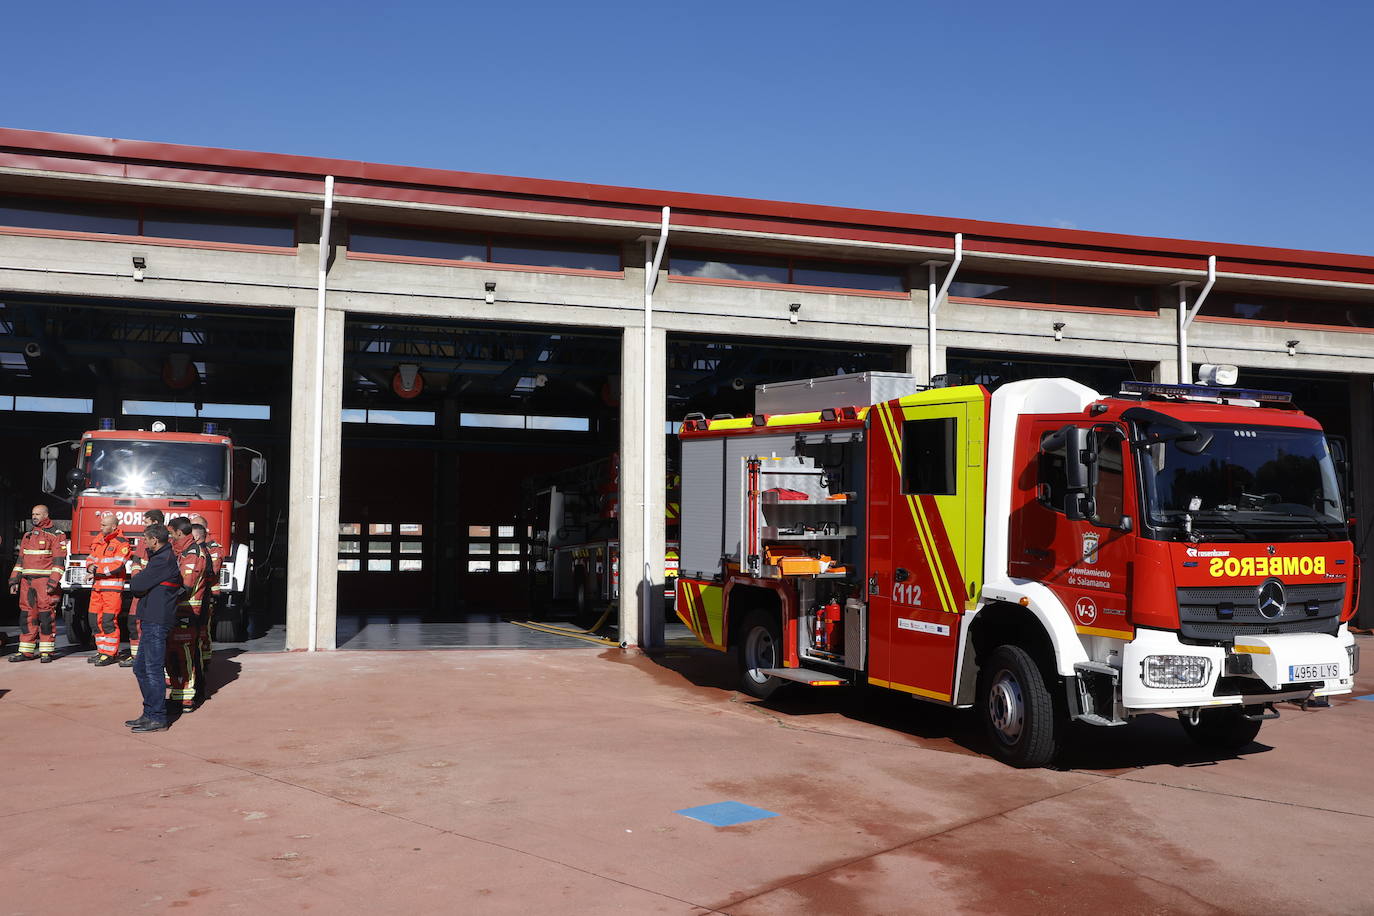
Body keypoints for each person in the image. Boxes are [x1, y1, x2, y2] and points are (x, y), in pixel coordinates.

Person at [125, 523, 178, 732]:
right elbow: (141, 586)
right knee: (141, 668)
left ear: (155, 540)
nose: (144, 542)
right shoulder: (159, 558)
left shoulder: (162, 560)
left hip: (157, 620)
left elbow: (137, 585)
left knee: (152, 669)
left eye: (146, 539)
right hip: (151, 618)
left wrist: (139, 580)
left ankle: (157, 717)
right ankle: (149, 714)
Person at [7, 504, 67, 663]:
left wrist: (53, 582)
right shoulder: (28, 536)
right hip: (27, 582)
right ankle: (25, 651)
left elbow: (59, 562)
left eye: (38, 514)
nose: (34, 517)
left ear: (46, 515)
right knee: (27, 616)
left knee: (46, 616)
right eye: (33, 514)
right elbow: (20, 561)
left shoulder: (56, 535)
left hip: (45, 583)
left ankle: (46, 652)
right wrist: (14, 580)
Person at [166, 517, 209, 713]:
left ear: (179, 533)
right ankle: (179, 696)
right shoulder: (184, 551)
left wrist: (162, 594)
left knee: (184, 655)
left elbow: (186, 586)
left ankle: (188, 699)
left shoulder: (192, 554)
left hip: (187, 610)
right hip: (180, 609)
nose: (170, 537)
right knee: (175, 655)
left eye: (171, 533)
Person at [86, 511, 132, 666]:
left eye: (104, 525)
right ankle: (102, 651)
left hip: (112, 591)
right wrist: (90, 567)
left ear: (113, 526)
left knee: (108, 622)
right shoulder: (98, 539)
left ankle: (110, 654)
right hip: (97, 588)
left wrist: (96, 570)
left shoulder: (122, 543)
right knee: (94, 621)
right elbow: (91, 558)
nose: (101, 527)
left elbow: (117, 566)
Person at [121, 509, 165, 668]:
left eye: (145, 522)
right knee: (134, 621)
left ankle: (150, 658)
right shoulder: (143, 540)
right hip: (141, 589)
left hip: (155, 591)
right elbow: (136, 562)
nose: (142, 525)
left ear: (154, 523)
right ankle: (136, 656)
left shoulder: (168, 542)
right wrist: (137, 579)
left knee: (153, 625)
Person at [188, 514, 223, 666]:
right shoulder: (191, 548)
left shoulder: (213, 548)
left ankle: (205, 657)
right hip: (195, 595)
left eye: (196, 526)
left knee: (204, 627)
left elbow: (212, 571)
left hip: (208, 593)